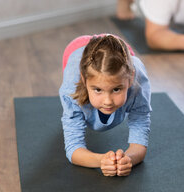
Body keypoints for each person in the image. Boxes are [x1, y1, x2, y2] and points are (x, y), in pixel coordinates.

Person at [59, 34, 151, 177]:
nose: (107, 101)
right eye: (98, 90)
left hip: (115, 44)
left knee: (114, 62)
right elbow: (73, 148)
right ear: (84, 80)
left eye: (116, 89)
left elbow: (140, 134)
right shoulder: (71, 86)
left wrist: (127, 160)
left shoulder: (138, 79)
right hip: (76, 48)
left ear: (131, 78)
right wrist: (102, 160)